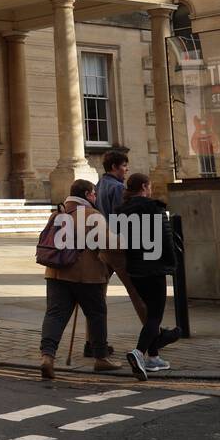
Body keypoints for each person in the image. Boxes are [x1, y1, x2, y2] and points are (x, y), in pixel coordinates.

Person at [39, 179, 121, 380]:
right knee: (96, 314)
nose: (95, 197)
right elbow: (109, 244)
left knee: (55, 315)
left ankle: (47, 357)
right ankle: (100, 358)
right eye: (93, 194)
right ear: (86, 194)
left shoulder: (57, 214)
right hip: (87, 276)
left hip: (56, 273)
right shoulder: (92, 215)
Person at [118, 172, 181, 380]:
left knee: (150, 315)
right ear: (144, 187)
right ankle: (138, 353)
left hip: (135, 269)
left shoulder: (122, 211)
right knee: (155, 316)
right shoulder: (154, 209)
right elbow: (166, 240)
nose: (151, 189)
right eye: (150, 186)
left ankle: (153, 357)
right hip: (154, 269)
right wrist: (172, 264)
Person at [81, 147, 130, 357]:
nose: (126, 170)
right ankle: (153, 340)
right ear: (114, 167)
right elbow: (122, 217)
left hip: (101, 243)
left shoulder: (98, 185)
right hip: (116, 245)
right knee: (138, 293)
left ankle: (91, 342)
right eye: (124, 166)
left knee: (97, 295)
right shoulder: (118, 188)